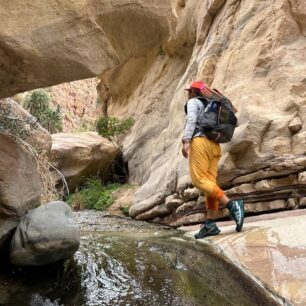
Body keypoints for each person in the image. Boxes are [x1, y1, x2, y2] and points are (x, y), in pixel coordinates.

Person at [182, 81, 244, 239]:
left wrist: (186, 141)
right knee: (210, 184)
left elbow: (191, 120)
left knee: (199, 180)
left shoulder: (193, 102)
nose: (188, 94)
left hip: (200, 143)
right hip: (215, 146)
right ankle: (210, 224)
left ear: (193, 92)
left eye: (189, 91)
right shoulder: (213, 105)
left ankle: (232, 205)